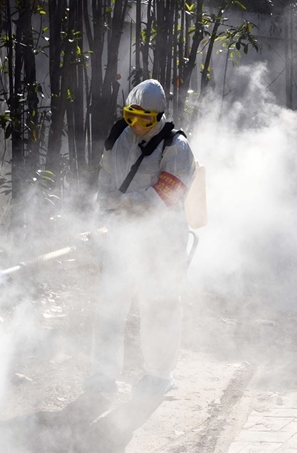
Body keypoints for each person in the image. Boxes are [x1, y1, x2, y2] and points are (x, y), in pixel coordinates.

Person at [84, 79, 197, 396]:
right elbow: (105, 177)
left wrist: (127, 204)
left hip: (162, 241)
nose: (136, 125)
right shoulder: (119, 135)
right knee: (110, 304)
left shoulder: (177, 149)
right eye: (131, 116)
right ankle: (102, 376)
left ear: (158, 117)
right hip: (121, 237)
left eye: (144, 120)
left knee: (159, 306)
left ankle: (159, 377)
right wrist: (104, 208)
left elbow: (167, 196)